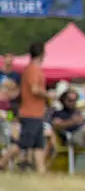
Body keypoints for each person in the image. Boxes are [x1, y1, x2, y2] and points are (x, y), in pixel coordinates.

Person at [15, 41, 50, 174]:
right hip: (30, 113)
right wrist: (48, 95)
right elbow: (35, 89)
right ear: (41, 53)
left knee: (38, 145)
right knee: (23, 144)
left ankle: (41, 171)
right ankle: (2, 162)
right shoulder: (33, 70)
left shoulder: (33, 69)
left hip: (37, 113)